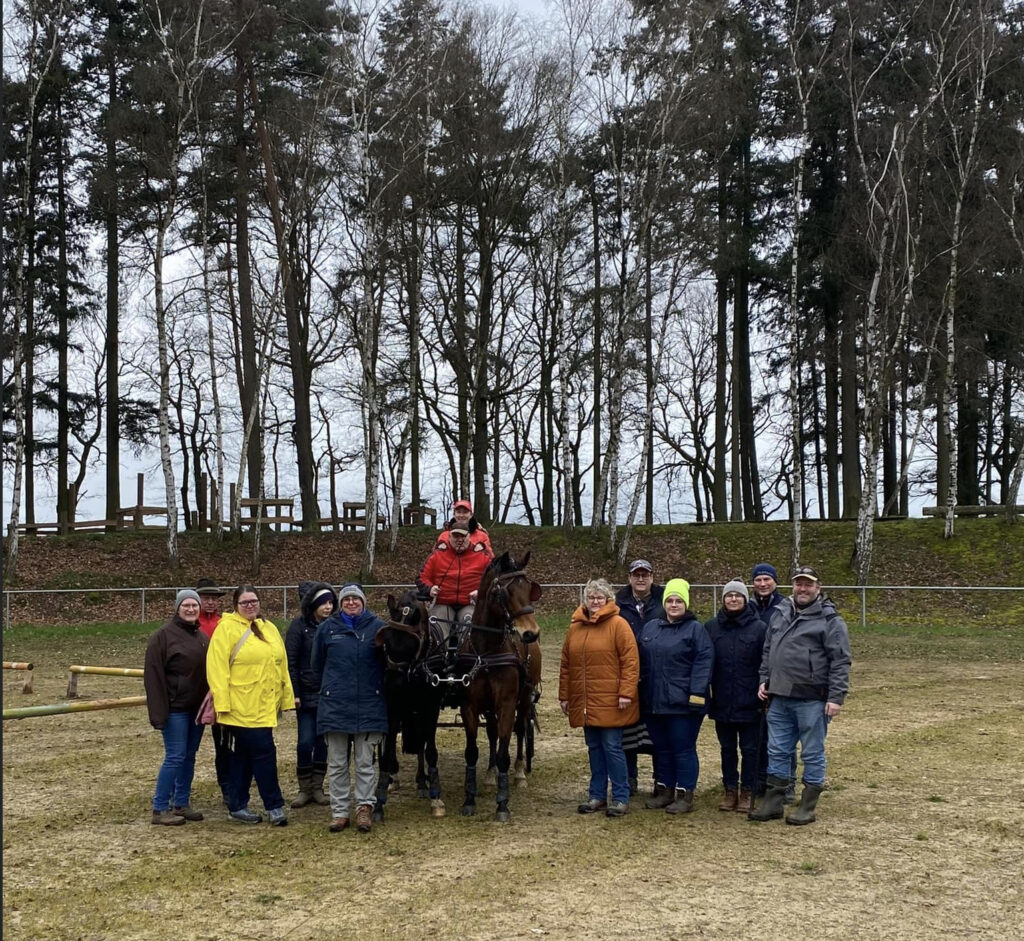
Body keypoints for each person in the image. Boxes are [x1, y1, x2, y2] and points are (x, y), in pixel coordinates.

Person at [749, 565, 852, 826]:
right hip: (779, 697)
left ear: (818, 588)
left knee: (812, 752)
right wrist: (764, 679)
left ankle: (808, 803)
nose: (802, 589)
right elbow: (768, 649)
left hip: (812, 698)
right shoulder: (781, 612)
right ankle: (774, 800)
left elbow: (840, 660)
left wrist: (835, 697)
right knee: (778, 750)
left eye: (808, 584)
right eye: (798, 583)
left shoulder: (830, 620)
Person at [207, 584, 295, 826]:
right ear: (235, 605)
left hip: (266, 705)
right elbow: (217, 669)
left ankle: (237, 804)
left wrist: (287, 698)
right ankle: (274, 805)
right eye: (245, 602)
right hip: (240, 707)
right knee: (265, 754)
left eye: (253, 601)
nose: (250, 606)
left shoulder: (269, 628)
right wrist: (222, 705)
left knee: (243, 756)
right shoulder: (226, 629)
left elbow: (281, 665)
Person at [558, 578, 639, 818]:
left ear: (608, 600)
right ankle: (597, 795)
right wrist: (565, 696)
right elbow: (566, 665)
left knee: (613, 748)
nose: (595, 602)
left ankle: (621, 797)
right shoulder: (575, 627)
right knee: (594, 748)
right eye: (591, 597)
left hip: (611, 700)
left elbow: (630, 662)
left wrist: (626, 692)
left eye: (599, 598)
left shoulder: (619, 625)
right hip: (585, 701)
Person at [311, 584, 388, 833]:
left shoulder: (378, 628)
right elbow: (316, 665)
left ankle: (364, 807)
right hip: (335, 705)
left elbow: (388, 664)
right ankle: (340, 811)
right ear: (340, 603)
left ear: (363, 602)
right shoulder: (327, 629)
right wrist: (332, 687)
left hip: (369, 704)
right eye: (347, 599)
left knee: (365, 762)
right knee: (336, 763)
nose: (352, 603)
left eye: (356, 599)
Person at [637, 578, 713, 815]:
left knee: (683, 748)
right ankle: (664, 790)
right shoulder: (651, 628)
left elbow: (703, 663)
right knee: (662, 748)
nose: (673, 604)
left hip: (683, 705)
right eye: (669, 600)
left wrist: (696, 696)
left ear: (686, 603)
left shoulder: (695, 630)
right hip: (654, 702)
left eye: (678, 601)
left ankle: (684, 793)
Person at [144, 589, 209, 826]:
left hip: (196, 709)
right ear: (178, 608)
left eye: (194, 605)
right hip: (175, 709)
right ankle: (160, 807)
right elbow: (153, 677)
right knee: (175, 756)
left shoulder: (201, 636)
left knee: (189, 757)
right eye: (186, 605)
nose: (191, 609)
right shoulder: (162, 637)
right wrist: (159, 712)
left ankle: (181, 802)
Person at [704, 579, 765, 814]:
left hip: (750, 701)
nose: (733, 599)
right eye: (729, 596)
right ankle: (730, 789)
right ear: (723, 600)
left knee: (750, 749)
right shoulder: (711, 627)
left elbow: (765, 663)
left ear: (745, 598)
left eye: (738, 596)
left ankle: (748, 790)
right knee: (727, 749)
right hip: (722, 700)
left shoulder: (758, 628)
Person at [613, 559, 664, 796]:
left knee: (657, 731)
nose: (641, 579)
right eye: (637, 575)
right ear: (630, 578)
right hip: (626, 674)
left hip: (657, 674)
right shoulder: (618, 604)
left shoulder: (665, 601)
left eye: (645, 574)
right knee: (628, 729)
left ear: (652, 577)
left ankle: (659, 779)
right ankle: (629, 777)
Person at [285, 581, 336, 809]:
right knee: (305, 742)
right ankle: (304, 788)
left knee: (323, 743)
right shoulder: (298, 627)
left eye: (331, 603)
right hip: (305, 695)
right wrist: (294, 693)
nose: (328, 607)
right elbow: (291, 662)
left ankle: (318, 787)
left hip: (328, 694)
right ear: (314, 605)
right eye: (324, 603)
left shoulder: (334, 626)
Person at [195, 576, 231, 805]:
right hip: (195, 691)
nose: (210, 602)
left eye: (213, 599)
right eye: (205, 598)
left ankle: (227, 788)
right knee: (188, 747)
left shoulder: (224, 624)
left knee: (224, 746)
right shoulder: (190, 622)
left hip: (219, 691)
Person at [416, 520, 492, 628]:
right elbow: (421, 578)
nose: (459, 540)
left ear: (469, 537)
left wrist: (480, 592)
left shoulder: (483, 556)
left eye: (463, 537)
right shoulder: (437, 555)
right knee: (437, 625)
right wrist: (430, 589)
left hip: (470, 604)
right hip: (443, 603)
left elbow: (494, 580)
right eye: (456, 536)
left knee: (470, 624)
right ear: (449, 537)